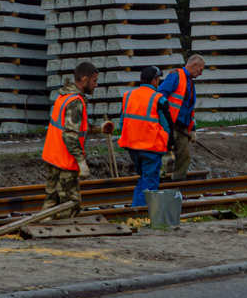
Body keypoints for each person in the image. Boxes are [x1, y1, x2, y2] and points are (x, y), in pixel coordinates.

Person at [40, 61, 113, 217]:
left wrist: (100, 129)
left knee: (52, 202)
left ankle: (45, 232)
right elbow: (71, 134)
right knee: (70, 205)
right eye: (95, 81)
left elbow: (77, 126)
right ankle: (64, 237)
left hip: (53, 158)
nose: (96, 85)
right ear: (85, 79)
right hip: (65, 161)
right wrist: (81, 161)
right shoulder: (76, 102)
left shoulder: (64, 96)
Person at [118, 65, 171, 208]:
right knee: (150, 182)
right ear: (154, 80)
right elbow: (167, 126)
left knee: (143, 179)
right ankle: (143, 213)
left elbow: (122, 122)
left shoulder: (128, 96)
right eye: (158, 79)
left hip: (132, 147)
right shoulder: (159, 99)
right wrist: (168, 145)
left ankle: (136, 209)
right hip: (151, 148)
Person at [158, 54, 205, 181]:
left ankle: (177, 184)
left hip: (182, 127)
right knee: (164, 154)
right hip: (170, 125)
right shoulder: (176, 76)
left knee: (184, 157)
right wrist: (164, 118)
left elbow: (189, 108)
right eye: (200, 70)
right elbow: (160, 96)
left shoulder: (189, 82)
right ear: (194, 65)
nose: (201, 73)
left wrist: (192, 128)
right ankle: (157, 183)